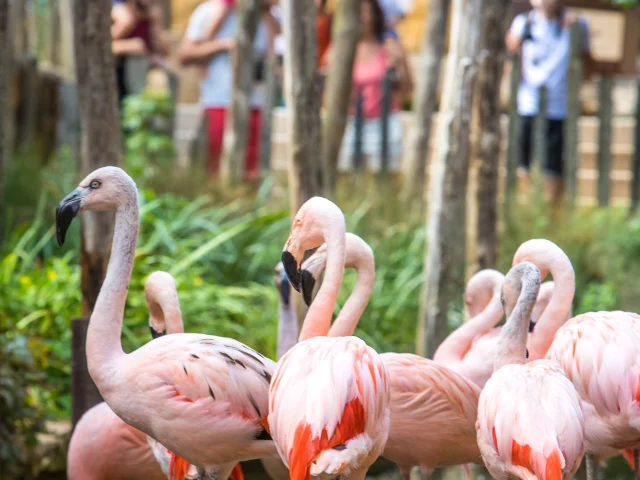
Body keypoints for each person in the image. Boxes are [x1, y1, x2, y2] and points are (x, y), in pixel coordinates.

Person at [506, 0, 593, 202]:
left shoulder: (578, 24)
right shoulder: (523, 23)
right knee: (524, 164)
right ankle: (526, 210)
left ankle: (552, 216)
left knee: (554, 167)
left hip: (560, 106)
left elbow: (588, 62)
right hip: (527, 104)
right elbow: (509, 54)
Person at [179, 0, 276, 179]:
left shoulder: (271, 17)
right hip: (219, 102)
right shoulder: (210, 11)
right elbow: (185, 54)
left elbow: (274, 56)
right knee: (214, 169)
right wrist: (223, 45)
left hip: (257, 104)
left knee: (252, 172)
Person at [335, 0, 413, 175]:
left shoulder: (390, 47)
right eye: (359, 13)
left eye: (366, 12)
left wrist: (400, 66)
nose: (362, 18)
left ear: (376, 16)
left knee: (384, 177)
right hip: (352, 123)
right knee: (347, 176)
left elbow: (408, 89)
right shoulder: (341, 49)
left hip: (385, 123)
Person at [111, 0, 170, 106]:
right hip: (120, 74)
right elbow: (104, 46)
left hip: (143, 74)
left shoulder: (152, 16)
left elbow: (165, 51)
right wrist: (127, 43)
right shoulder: (120, 13)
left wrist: (155, 27)